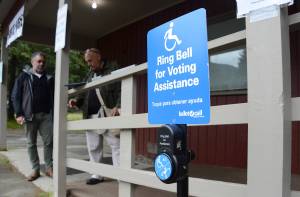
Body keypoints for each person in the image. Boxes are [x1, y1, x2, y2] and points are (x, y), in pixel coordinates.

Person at [68, 48, 121, 185]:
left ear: (98, 57)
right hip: (90, 114)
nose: (88, 64)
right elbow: (84, 91)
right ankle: (97, 174)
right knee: (93, 146)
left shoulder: (113, 68)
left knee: (116, 144)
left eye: (90, 61)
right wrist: (76, 101)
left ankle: (120, 175)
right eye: (87, 62)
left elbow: (121, 88)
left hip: (107, 112)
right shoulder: (90, 72)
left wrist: (118, 105)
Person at [11, 51, 54, 181]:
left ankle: (49, 168)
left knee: (49, 142)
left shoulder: (49, 78)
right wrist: (19, 113)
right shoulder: (24, 77)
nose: (41, 64)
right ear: (32, 62)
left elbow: (55, 96)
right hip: (30, 116)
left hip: (46, 115)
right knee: (31, 143)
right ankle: (35, 170)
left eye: (43, 62)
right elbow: (15, 96)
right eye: (38, 61)